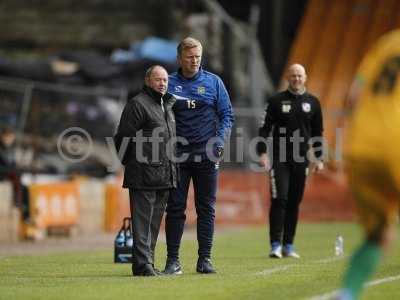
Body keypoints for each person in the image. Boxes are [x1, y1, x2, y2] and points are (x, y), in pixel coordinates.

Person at [338, 30, 400, 300]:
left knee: (378, 235)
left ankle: (347, 294)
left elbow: (352, 95)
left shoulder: (387, 42)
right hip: (395, 142)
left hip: (360, 145)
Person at [163, 37, 234, 274]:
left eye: (198, 57)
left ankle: (205, 259)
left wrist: (220, 140)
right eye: (190, 57)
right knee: (175, 208)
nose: (194, 61)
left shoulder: (214, 83)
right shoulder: (169, 84)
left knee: (206, 208)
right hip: (177, 156)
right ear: (179, 58)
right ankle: (173, 261)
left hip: (207, 156)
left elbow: (227, 115)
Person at [114, 65, 177, 277]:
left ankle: (147, 263)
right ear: (148, 81)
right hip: (142, 173)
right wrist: (131, 163)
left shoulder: (166, 105)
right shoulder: (137, 105)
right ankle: (142, 264)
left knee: (153, 223)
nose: (162, 83)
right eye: (158, 79)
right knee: (142, 223)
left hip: (164, 173)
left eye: (165, 80)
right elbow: (122, 137)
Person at [257, 64, 324, 259]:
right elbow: (264, 128)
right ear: (288, 77)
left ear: (305, 77)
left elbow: (317, 133)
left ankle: (289, 245)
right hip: (279, 159)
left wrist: (318, 158)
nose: (296, 78)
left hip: (301, 159)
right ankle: (275, 244)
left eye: (299, 75)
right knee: (280, 198)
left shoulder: (313, 102)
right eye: (293, 75)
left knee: (294, 201)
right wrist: (262, 152)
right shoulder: (276, 101)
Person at [0, 126, 30, 221]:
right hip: (3, 174)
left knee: (25, 189)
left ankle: (24, 211)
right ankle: (19, 205)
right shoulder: (2, 149)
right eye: (6, 136)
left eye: (10, 137)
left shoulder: (10, 149)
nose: (8, 139)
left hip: (9, 175)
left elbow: (12, 164)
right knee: (18, 182)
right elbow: (5, 163)